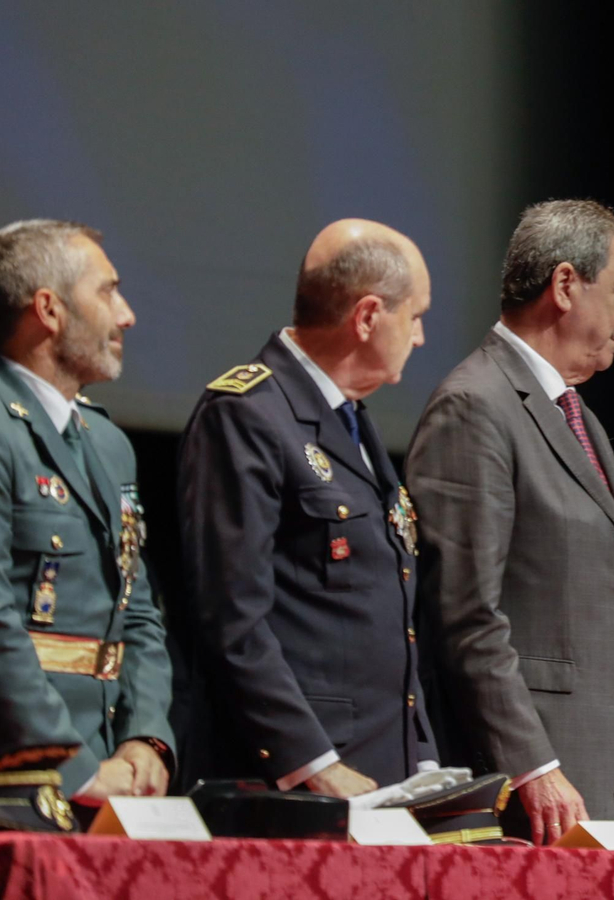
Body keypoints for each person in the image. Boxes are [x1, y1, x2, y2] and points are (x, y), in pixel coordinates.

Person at [408, 200, 614, 845]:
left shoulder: (578, 417)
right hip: (535, 784)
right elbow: (465, 612)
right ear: (564, 285)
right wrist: (533, 763)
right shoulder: (474, 406)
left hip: (608, 773)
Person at [178, 219, 436, 796]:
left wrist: (421, 758)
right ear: (367, 316)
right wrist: (312, 763)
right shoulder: (247, 414)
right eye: (415, 316)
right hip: (293, 783)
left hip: (379, 774)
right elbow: (231, 615)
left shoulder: (352, 419)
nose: (419, 337)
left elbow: (389, 613)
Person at [0, 218, 174, 814]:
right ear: (49, 309)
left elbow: (139, 611)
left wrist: (145, 738)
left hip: (109, 773)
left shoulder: (106, 441)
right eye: (108, 291)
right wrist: (69, 763)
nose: (126, 315)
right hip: (21, 776)